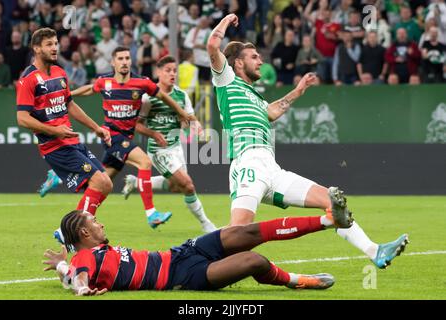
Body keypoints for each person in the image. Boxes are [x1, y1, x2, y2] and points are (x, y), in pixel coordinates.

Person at [206, 14, 409, 269]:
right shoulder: (226, 82)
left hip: (271, 168)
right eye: (254, 56)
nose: (261, 60)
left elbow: (273, 111)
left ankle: (374, 250)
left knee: (331, 201)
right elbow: (212, 46)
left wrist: (299, 90)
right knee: (237, 232)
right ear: (237, 64)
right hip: (248, 164)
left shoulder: (253, 96)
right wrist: (226, 19)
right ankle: (200, 265)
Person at [39, 47, 198, 230]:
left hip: (125, 137)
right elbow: (90, 89)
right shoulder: (105, 81)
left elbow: (162, 96)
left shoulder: (141, 83)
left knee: (101, 182)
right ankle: (151, 214)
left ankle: (60, 186)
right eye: (120, 58)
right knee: (144, 162)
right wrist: (68, 94)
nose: (124, 61)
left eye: (127, 58)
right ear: (113, 62)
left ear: (131, 61)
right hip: (111, 135)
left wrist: (181, 112)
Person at [42, 207, 364, 295]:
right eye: (94, 222)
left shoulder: (91, 253)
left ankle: (326, 219)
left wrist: (61, 269)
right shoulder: (85, 257)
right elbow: (79, 278)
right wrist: (79, 287)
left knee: (245, 232)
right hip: (183, 276)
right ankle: (297, 280)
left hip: (179, 253)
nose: (100, 224)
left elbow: (71, 275)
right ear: (84, 232)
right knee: (253, 261)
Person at [16, 28, 113, 242]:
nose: (55, 48)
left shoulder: (60, 72)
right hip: (55, 146)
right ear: (36, 48)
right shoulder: (28, 79)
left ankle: (66, 232)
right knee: (98, 181)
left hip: (72, 141)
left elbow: (69, 104)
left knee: (106, 183)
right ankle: (73, 235)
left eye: (56, 43)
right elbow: (22, 118)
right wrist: (54, 130)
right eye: (49, 44)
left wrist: (96, 127)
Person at [121, 55, 216, 233]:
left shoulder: (181, 95)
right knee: (188, 185)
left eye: (174, 71)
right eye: (168, 70)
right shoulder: (148, 98)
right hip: (159, 151)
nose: (172, 74)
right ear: (158, 72)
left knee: (176, 187)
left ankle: (138, 183)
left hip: (176, 147)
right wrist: (153, 134)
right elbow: (136, 124)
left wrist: (196, 127)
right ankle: (206, 224)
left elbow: (189, 117)